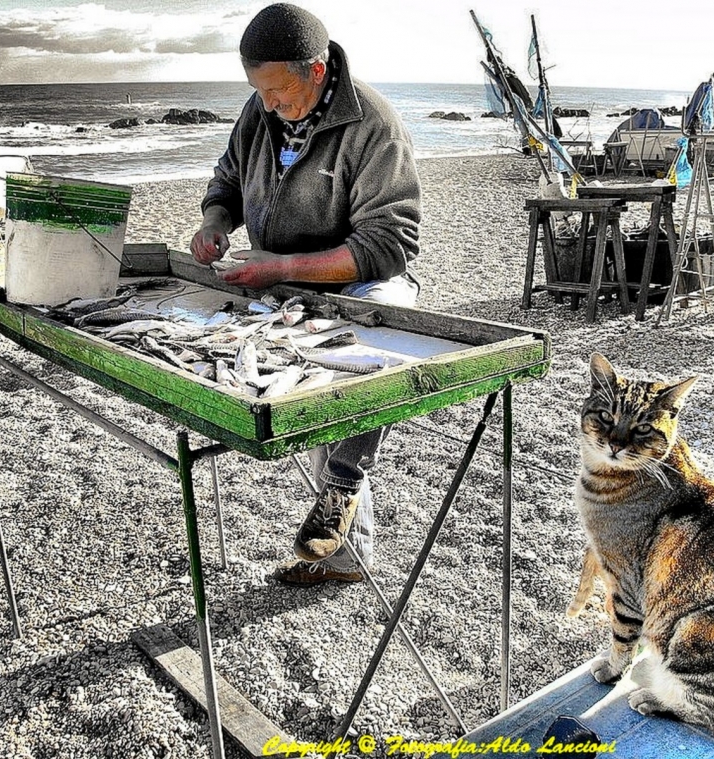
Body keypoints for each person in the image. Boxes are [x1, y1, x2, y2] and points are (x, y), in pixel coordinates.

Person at [190, 3, 421, 586]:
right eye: (258, 91)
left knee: (384, 325)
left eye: (279, 91)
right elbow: (227, 181)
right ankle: (348, 558)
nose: (268, 104)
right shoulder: (261, 106)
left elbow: (389, 244)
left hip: (355, 279)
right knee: (311, 401)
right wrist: (216, 224)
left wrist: (283, 266)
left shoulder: (375, 125)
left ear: (316, 72)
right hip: (278, 274)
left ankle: (343, 481)